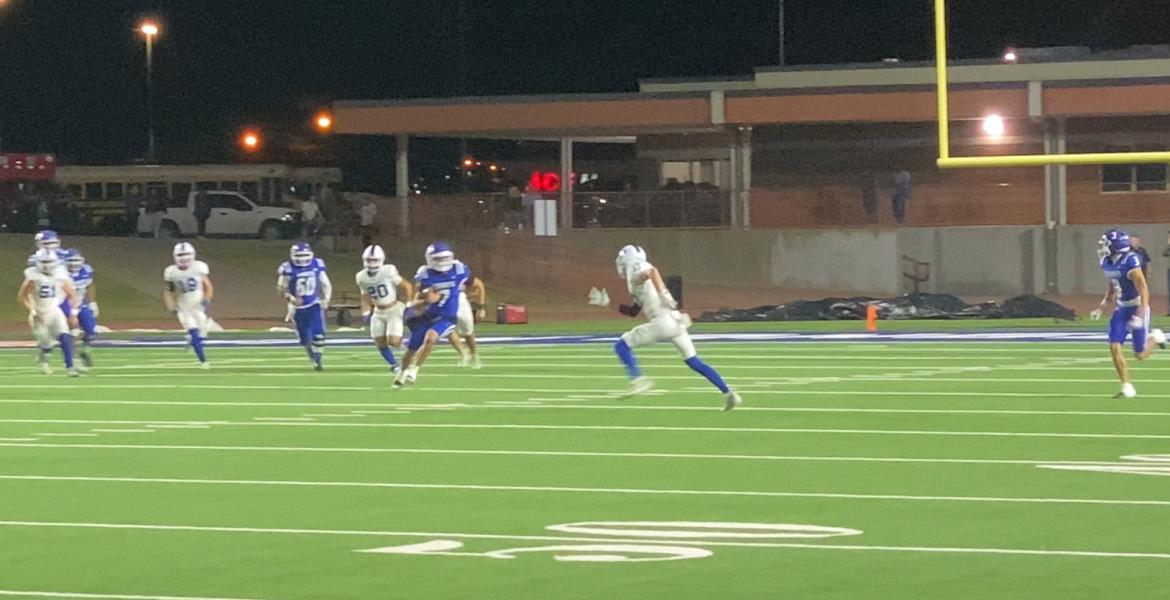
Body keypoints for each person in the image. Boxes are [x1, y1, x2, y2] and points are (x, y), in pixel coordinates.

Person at [613, 244, 742, 411]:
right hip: (676, 322)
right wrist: (609, 304)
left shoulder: (637, 270)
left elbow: (651, 272)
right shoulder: (639, 275)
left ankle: (637, 379)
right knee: (694, 361)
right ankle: (728, 392)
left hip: (662, 323)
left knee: (621, 345)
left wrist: (664, 294)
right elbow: (634, 311)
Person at [1089, 229, 1165, 398]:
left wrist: (1140, 313)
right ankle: (1127, 386)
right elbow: (1112, 288)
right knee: (1114, 346)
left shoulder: (1130, 261)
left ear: (1116, 246)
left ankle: (1156, 337)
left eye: (1106, 244)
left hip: (1137, 306)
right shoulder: (1106, 262)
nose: (1103, 247)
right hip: (1121, 309)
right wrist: (1102, 307)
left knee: (1140, 354)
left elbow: (1144, 289)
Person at [394, 241, 470, 388]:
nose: (442, 262)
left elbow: (472, 282)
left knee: (431, 337)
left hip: (447, 316)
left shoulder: (459, 269)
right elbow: (415, 300)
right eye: (438, 259)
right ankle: (401, 374)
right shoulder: (425, 274)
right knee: (412, 348)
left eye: (444, 258)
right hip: (427, 316)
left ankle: (415, 370)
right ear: (430, 259)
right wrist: (426, 300)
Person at [18, 249, 81, 377]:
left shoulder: (60, 275)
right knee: (47, 344)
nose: (47, 265)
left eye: (49, 261)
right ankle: (43, 359)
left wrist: (73, 313)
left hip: (54, 310)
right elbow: (22, 296)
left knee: (65, 336)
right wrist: (33, 310)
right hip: (38, 313)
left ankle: (70, 366)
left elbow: (73, 295)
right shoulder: (33, 276)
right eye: (44, 261)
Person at [357, 244, 412, 374]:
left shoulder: (388, 271)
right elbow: (364, 295)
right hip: (378, 310)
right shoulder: (361, 276)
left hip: (393, 308)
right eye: (369, 260)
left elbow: (407, 286)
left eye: (374, 260)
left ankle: (408, 352)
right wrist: (365, 312)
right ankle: (394, 365)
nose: (371, 263)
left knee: (393, 341)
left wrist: (409, 304)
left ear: (381, 259)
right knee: (379, 341)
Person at [278, 242, 332, 371]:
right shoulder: (288, 268)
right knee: (305, 338)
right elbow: (281, 288)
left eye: (304, 255)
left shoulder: (317, 264)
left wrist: (326, 299)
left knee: (319, 333)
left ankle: (318, 359)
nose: (302, 258)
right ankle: (312, 356)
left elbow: (326, 283)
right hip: (297, 308)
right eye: (299, 255)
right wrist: (290, 298)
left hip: (314, 303)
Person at [163, 242, 213, 369]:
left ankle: (192, 342)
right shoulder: (171, 272)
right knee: (194, 332)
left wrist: (206, 300)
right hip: (184, 308)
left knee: (202, 335)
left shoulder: (199, 268)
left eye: (186, 254)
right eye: (181, 254)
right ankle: (204, 361)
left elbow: (209, 287)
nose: (184, 258)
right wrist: (172, 307)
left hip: (198, 306)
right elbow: (168, 292)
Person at [64, 248, 99, 368]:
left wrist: (93, 302)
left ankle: (84, 351)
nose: (74, 264)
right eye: (71, 261)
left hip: (82, 303)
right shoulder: (62, 273)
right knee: (73, 331)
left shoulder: (86, 270)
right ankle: (73, 358)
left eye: (76, 260)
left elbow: (90, 285)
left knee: (91, 332)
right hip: (66, 303)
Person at [458, 275, 487, 369]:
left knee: (468, 331)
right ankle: (463, 352)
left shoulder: (459, 270)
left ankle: (473, 353)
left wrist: (481, 307)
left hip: (459, 302)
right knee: (445, 328)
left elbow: (479, 285)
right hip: (443, 303)